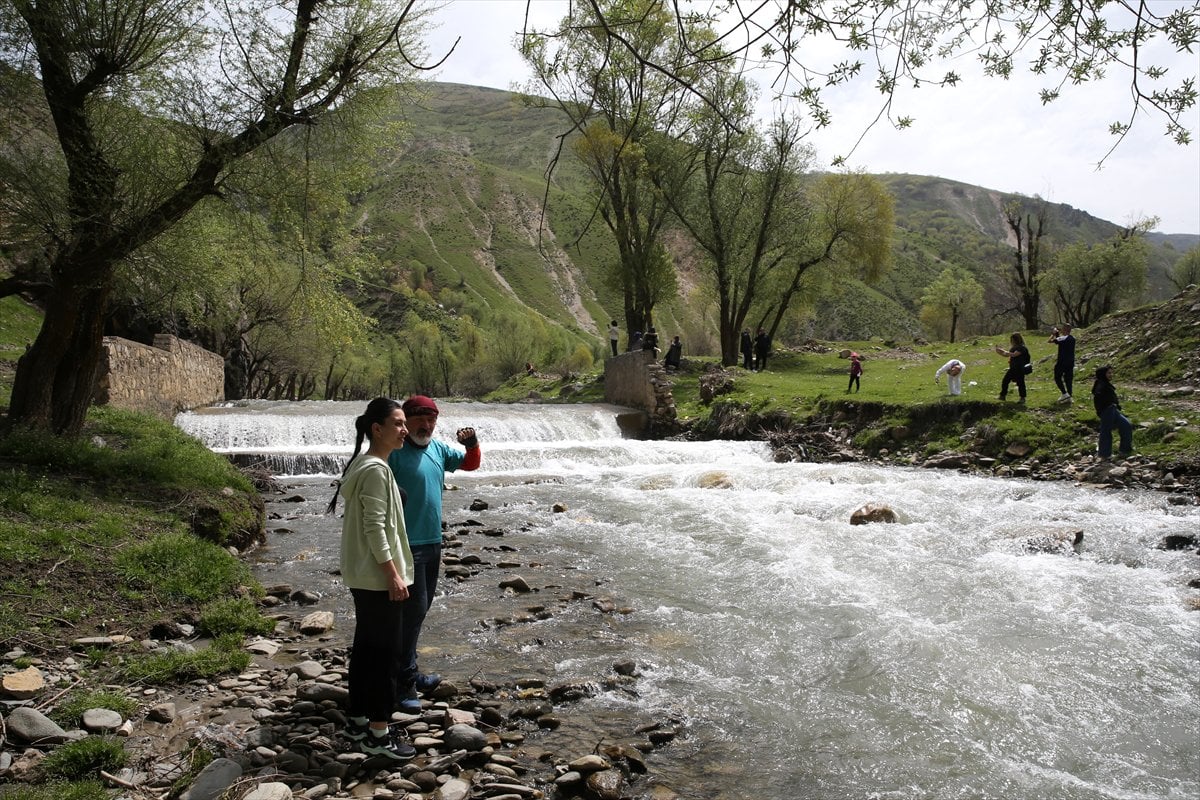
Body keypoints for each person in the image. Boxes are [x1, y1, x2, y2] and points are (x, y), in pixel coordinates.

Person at [326, 397, 416, 761]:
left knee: (366, 648)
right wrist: (394, 575)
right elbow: (376, 529)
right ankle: (378, 734)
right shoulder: (377, 470)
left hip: (362, 574)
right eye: (397, 423)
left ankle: (358, 718)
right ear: (376, 429)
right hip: (379, 578)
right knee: (385, 657)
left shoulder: (362, 464)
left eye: (404, 423)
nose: (404, 430)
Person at [387, 395, 481, 713]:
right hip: (405, 546)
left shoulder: (438, 449)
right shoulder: (394, 453)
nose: (426, 426)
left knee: (419, 612)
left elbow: (470, 464)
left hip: (432, 542)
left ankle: (409, 672)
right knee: (409, 616)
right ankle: (403, 685)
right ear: (405, 421)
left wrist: (472, 444)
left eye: (432, 421)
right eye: (419, 421)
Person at [1091, 365, 1133, 459]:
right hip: (1107, 411)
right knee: (1106, 431)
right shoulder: (1101, 385)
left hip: (1113, 409)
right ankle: (1105, 454)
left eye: (1111, 373)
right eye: (1108, 373)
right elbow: (1098, 399)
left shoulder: (1104, 384)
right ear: (1103, 374)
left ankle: (1125, 450)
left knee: (1126, 425)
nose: (1111, 375)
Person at [994, 332, 1030, 403]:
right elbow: (1008, 355)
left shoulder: (1022, 348)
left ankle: (1022, 398)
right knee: (1005, 381)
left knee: (1020, 383)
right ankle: (1002, 396)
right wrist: (1000, 352)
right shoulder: (1014, 348)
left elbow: (1014, 355)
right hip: (1013, 368)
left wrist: (1004, 351)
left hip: (1020, 368)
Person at [1048, 324, 1076, 403]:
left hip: (1062, 362)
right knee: (1068, 379)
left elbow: (1050, 341)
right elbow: (1059, 341)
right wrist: (1057, 334)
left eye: (1062, 329)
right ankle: (1069, 396)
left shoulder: (1063, 338)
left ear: (1064, 330)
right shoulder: (1072, 338)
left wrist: (1053, 334)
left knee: (1057, 377)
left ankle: (1064, 393)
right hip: (1070, 362)